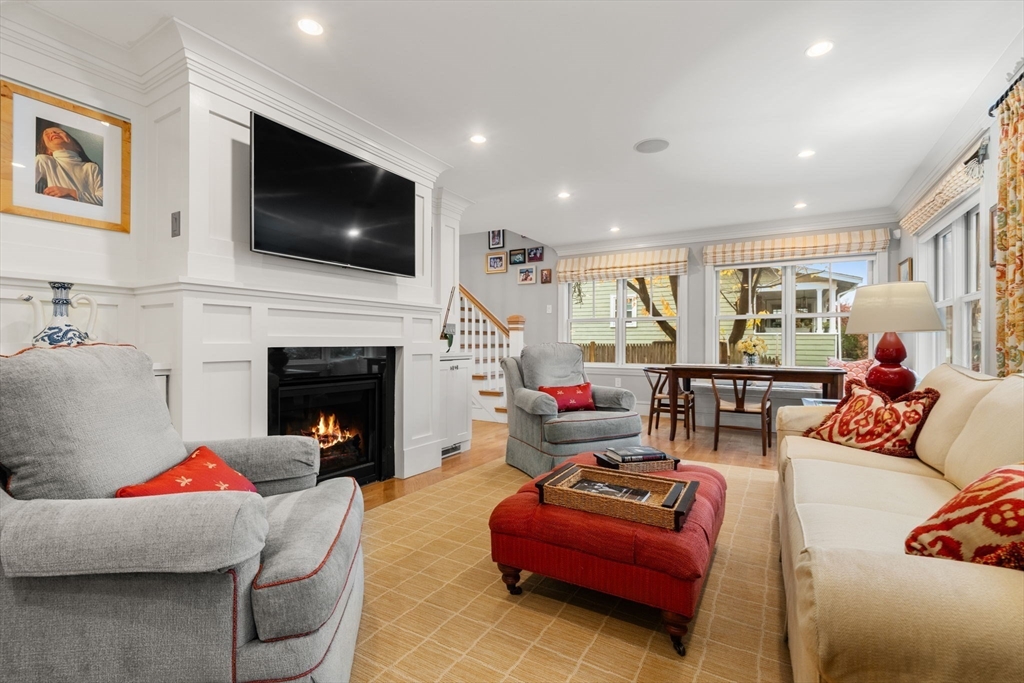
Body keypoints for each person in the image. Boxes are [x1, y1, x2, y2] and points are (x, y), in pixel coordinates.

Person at [34, 123, 103, 206]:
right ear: (47, 151)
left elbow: (103, 200)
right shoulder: (44, 161)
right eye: (47, 134)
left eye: (58, 132)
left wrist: (71, 193)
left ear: (77, 146)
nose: (53, 133)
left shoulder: (91, 167)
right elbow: (23, 184)